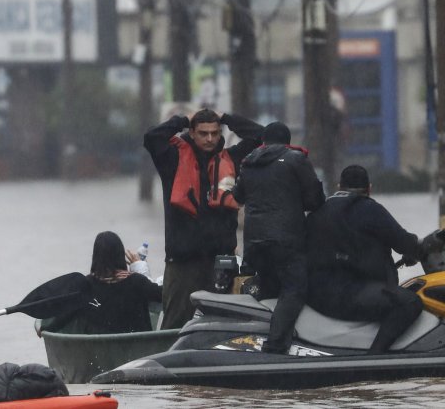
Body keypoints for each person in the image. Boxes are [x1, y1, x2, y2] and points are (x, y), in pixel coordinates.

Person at [143, 107, 263, 329]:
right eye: (203, 133)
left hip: (222, 261)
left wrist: (227, 117)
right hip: (183, 263)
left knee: (225, 325)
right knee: (175, 324)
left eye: (215, 133)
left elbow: (261, 136)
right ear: (192, 133)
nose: (209, 139)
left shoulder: (233, 159)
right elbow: (152, 137)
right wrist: (182, 120)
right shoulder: (173, 160)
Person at [305, 164, 424, 354]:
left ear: (338, 186)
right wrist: (418, 246)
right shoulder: (370, 210)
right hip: (350, 295)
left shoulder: (320, 211)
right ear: (369, 188)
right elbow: (403, 242)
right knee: (410, 302)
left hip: (317, 295)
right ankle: (375, 357)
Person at [231, 121, 324, 354]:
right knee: (294, 289)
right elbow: (315, 200)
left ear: (264, 142)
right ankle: (276, 347)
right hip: (286, 240)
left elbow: (238, 195)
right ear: (287, 141)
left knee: (268, 289)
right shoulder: (296, 159)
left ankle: (254, 340)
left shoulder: (248, 162)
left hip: (254, 243)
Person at [73, 231, 163, 334]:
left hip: (96, 349)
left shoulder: (85, 285)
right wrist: (140, 266)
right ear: (120, 254)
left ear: (95, 256)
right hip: (139, 347)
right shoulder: (137, 282)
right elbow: (166, 295)